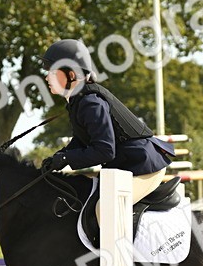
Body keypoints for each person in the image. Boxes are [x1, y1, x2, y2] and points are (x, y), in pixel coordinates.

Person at [40, 38, 174, 206]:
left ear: (71, 75)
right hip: (127, 165)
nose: (46, 78)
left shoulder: (90, 103)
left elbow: (104, 150)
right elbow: (82, 141)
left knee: (104, 209)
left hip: (143, 167)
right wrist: (58, 157)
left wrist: (67, 158)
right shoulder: (78, 100)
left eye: (52, 72)